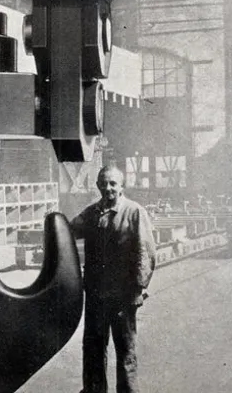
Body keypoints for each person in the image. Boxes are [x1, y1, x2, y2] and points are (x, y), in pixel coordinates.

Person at [71, 165, 156, 393]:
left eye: (113, 184)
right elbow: (69, 230)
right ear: (97, 185)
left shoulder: (135, 212)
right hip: (96, 295)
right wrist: (52, 222)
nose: (107, 188)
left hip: (123, 297)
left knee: (125, 352)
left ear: (122, 187)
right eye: (103, 183)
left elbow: (145, 253)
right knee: (93, 349)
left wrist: (139, 288)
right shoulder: (91, 213)